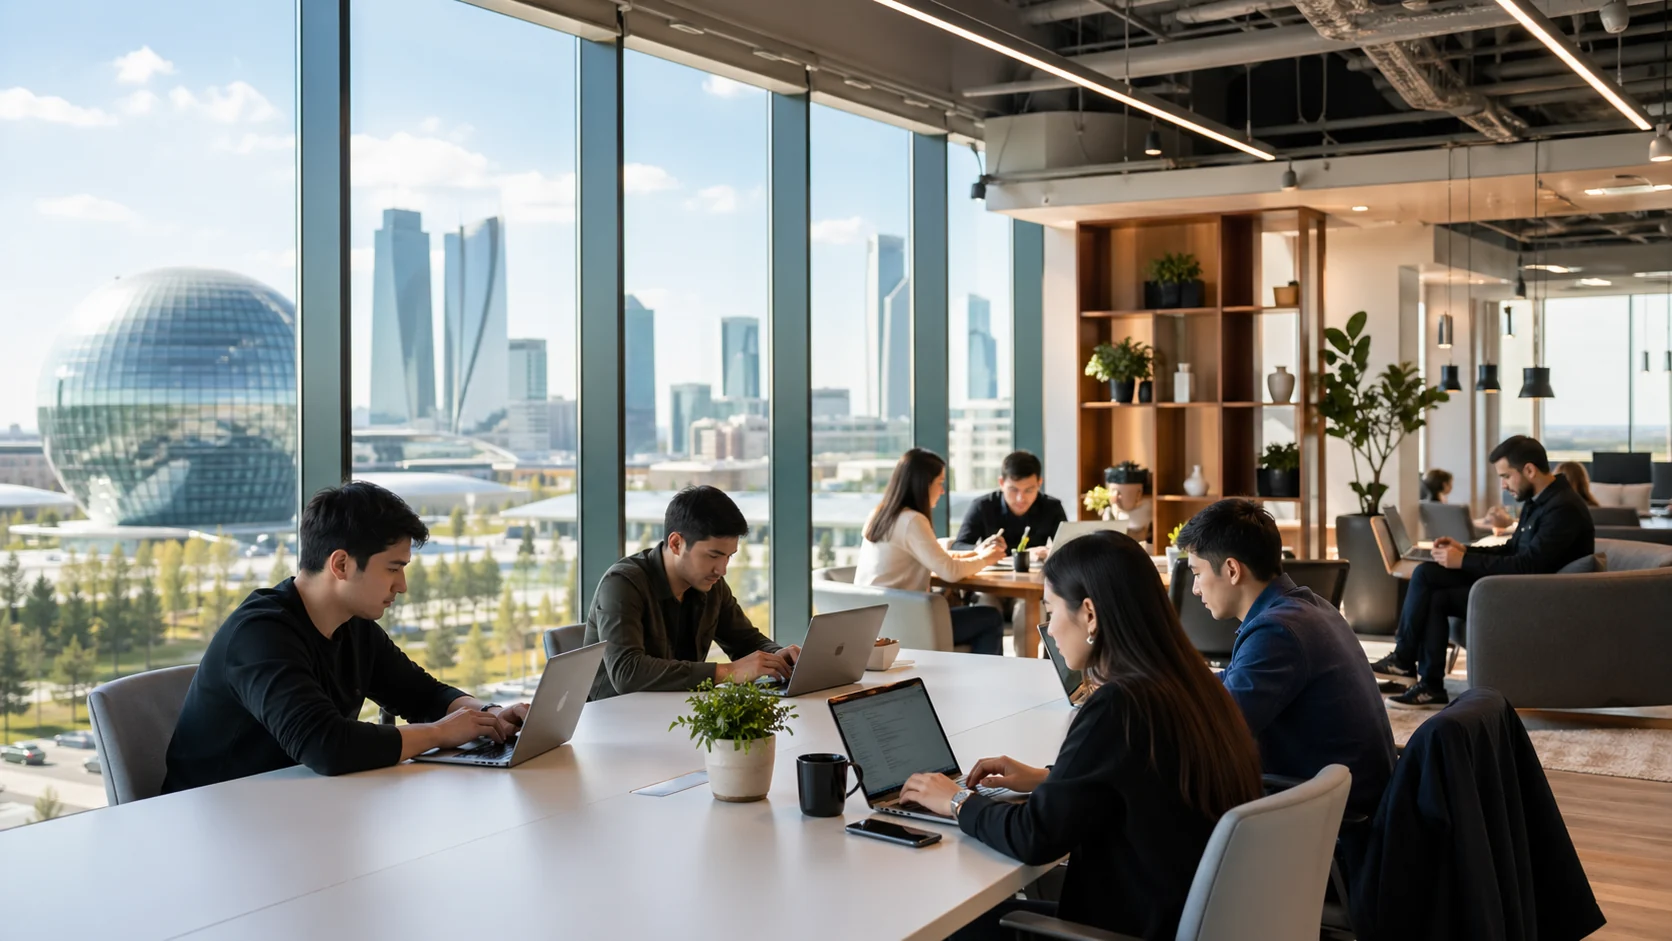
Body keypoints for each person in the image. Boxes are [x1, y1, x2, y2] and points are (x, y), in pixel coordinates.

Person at [899, 531, 1262, 940]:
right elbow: (1141, 781)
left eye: (1051, 611)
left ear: (1090, 614)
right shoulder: (1194, 684)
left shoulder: (1120, 705)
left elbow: (1034, 837)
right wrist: (1049, 778)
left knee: (938, 926)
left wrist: (956, 800)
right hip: (1177, 917)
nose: (1049, 630)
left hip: (1123, 929)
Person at [162, 482, 529, 793]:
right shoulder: (259, 634)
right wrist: (438, 734)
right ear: (341, 565)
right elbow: (327, 745)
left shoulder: (353, 625)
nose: (401, 586)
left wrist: (491, 715)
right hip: (215, 824)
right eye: (393, 568)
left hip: (298, 809)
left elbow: (424, 694)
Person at [1176, 499, 1395, 815]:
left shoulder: (1276, 631)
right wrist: (1167, 687)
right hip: (1349, 800)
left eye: (1197, 573)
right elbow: (1232, 683)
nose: (1196, 588)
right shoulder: (1308, 607)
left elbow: (1219, 733)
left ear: (1232, 570)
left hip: (1333, 819)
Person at [1372, 436, 1595, 708]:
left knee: (1429, 580)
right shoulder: (1538, 501)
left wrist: (1464, 562)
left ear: (1529, 470)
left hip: (1536, 601)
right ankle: (1427, 684)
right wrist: (1464, 551)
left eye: (1506, 476)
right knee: (1429, 578)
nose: (1503, 485)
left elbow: (1528, 567)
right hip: (1517, 589)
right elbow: (1512, 549)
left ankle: (1404, 660)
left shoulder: (1563, 508)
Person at [585, 485, 797, 700]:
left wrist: (778, 656)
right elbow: (627, 672)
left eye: (728, 556)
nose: (721, 569)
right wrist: (728, 671)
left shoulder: (711, 584)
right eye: (713, 556)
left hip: (677, 712)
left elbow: (745, 641)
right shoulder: (622, 583)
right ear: (676, 543)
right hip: (613, 714)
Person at [857, 449, 1008, 655]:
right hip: (907, 623)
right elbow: (950, 571)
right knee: (990, 618)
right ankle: (982, 676)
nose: (942, 491)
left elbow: (935, 558)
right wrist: (986, 559)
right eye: (940, 482)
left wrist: (976, 553)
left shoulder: (880, 514)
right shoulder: (912, 520)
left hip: (877, 622)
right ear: (923, 484)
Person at [951, 450, 1067, 556]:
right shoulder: (982, 506)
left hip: (1036, 571)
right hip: (992, 570)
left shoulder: (1052, 507)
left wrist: (1048, 552)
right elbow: (958, 546)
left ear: (1039, 483)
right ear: (1001, 483)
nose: (1020, 498)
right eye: (1013, 490)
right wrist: (980, 548)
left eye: (1028, 490)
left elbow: (1068, 548)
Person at [1426, 466, 1513, 533]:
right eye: (1451, 483)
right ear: (1445, 484)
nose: (1452, 487)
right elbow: (1465, 528)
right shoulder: (1445, 509)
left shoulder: (1431, 506)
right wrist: (1493, 530)